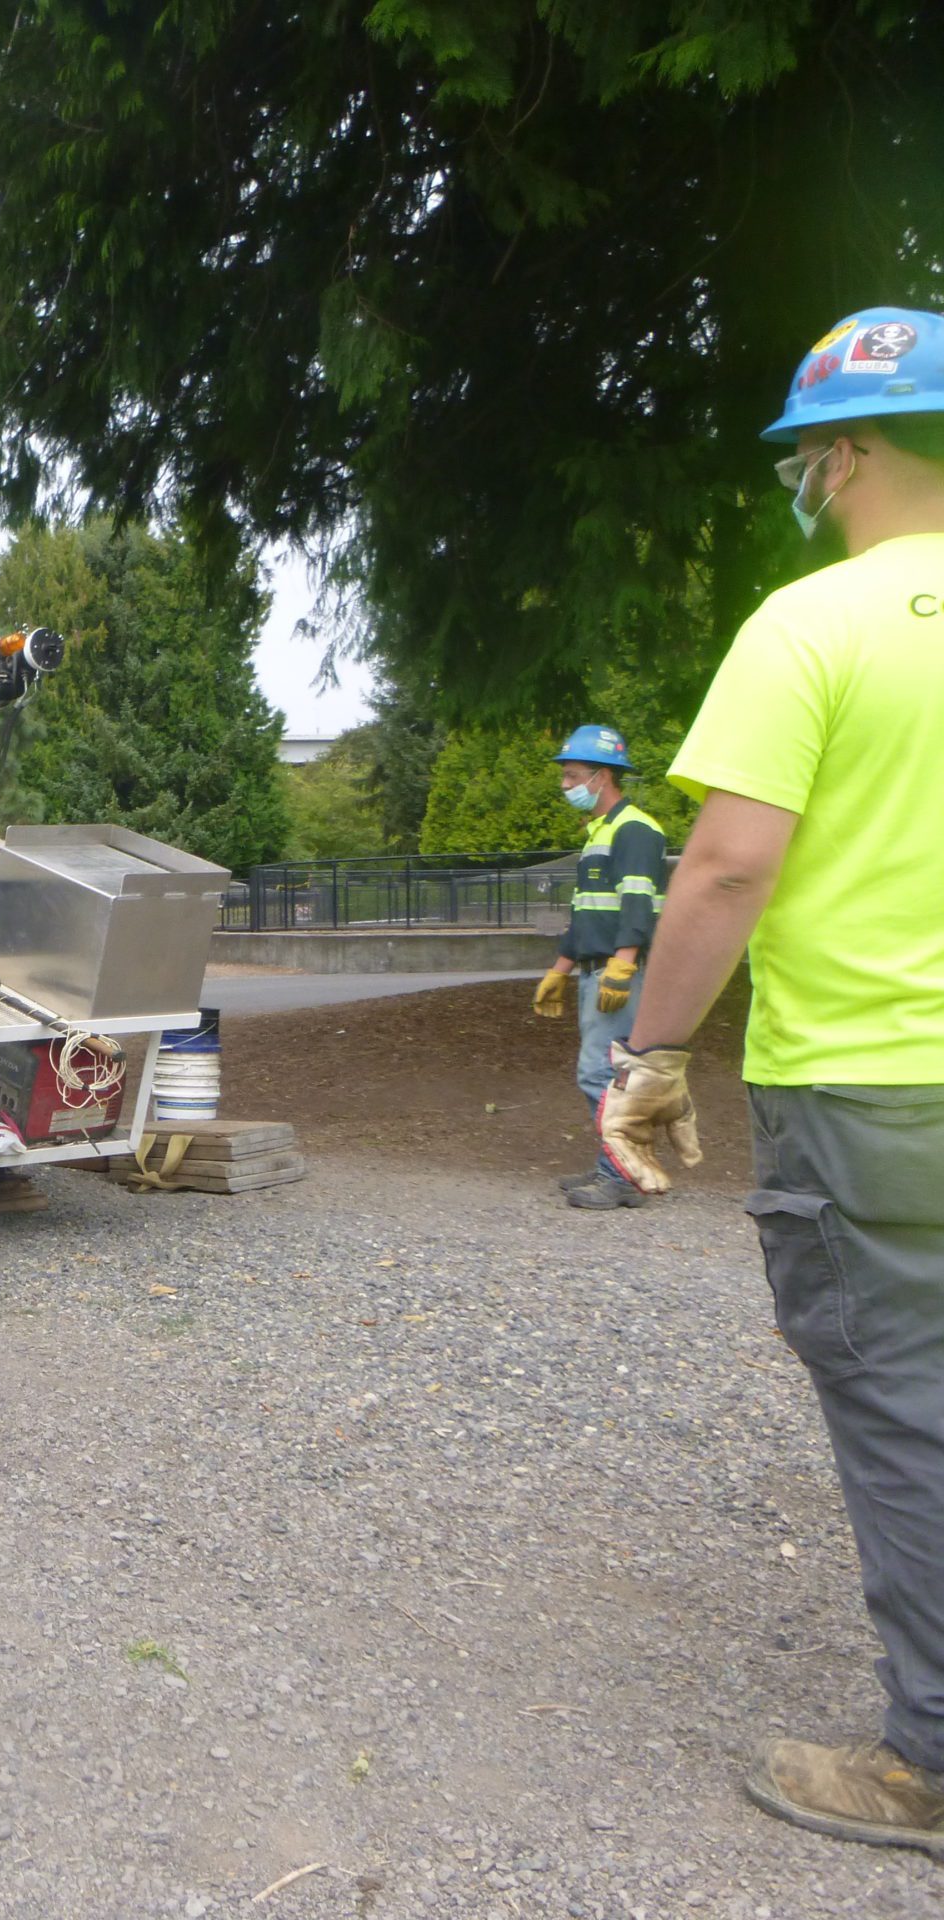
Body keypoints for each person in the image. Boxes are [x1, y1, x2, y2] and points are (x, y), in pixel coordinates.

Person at [601, 303, 944, 1857]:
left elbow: (728, 868)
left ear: (859, 449)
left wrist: (656, 1049)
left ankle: (929, 1763)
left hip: (874, 1092)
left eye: (812, 451)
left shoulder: (812, 628)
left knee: (904, 1406)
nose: (805, 475)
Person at [530, 725, 668, 1208]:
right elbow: (588, 912)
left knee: (604, 1074)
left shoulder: (634, 830)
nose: (564, 786)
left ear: (602, 775)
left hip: (616, 973)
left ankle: (623, 1175)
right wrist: (560, 969)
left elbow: (638, 904)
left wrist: (623, 964)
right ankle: (618, 1167)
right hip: (597, 969)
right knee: (608, 1074)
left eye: (572, 776)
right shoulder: (601, 833)